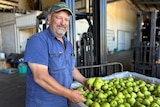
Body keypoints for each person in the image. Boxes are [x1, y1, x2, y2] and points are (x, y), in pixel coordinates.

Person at [24, 2, 87, 107]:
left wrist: (85, 82)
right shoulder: (38, 41)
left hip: (62, 101)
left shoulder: (68, 44)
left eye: (66, 19)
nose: (63, 22)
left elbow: (70, 68)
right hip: (43, 103)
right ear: (49, 18)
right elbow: (40, 77)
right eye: (59, 18)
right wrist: (69, 94)